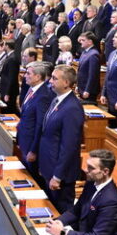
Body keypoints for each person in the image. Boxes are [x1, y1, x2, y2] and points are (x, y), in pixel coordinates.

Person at [46, 149, 117, 235]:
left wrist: (63, 233)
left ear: (105, 171)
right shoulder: (91, 184)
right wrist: (58, 222)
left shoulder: (111, 201)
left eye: (91, 168)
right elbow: (76, 211)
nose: (86, 170)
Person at [38, 65, 85, 212]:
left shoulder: (72, 108)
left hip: (60, 174)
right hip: (49, 165)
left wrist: (57, 176)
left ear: (66, 83)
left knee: (61, 212)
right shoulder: (57, 100)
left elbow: (69, 146)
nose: (50, 81)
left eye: (54, 78)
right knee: (50, 209)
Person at [76, 31, 101, 104]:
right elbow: (80, 70)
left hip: (89, 90)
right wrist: (78, 85)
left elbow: (93, 75)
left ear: (90, 42)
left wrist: (88, 90)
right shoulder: (85, 52)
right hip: (82, 87)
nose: (81, 42)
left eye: (83, 40)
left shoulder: (93, 54)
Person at [0, 40, 21, 114]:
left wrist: (7, 93)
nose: (3, 46)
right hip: (6, 88)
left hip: (9, 91)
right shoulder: (10, 56)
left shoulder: (12, 58)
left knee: (8, 110)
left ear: (7, 46)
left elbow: (12, 77)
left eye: (4, 45)